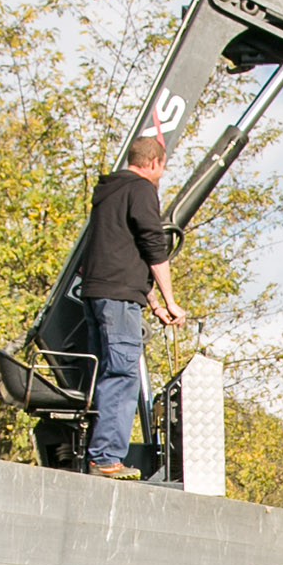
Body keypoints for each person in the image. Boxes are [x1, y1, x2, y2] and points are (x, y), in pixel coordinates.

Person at [79, 133, 186, 480]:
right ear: (154, 162)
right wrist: (170, 300)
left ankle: (97, 455)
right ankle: (106, 458)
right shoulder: (141, 190)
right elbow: (153, 246)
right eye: (163, 168)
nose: (161, 174)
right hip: (118, 301)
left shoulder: (107, 193)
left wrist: (152, 302)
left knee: (104, 374)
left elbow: (120, 254)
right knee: (122, 374)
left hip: (97, 294)